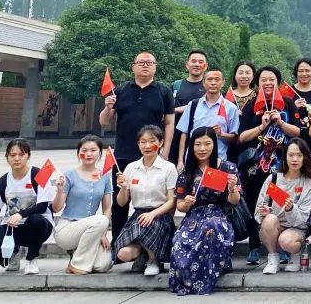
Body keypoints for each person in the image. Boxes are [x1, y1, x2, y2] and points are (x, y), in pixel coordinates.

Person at [99, 51, 174, 242]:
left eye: (149, 62)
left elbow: (169, 123)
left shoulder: (164, 91)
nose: (145, 65)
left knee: (155, 198)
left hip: (153, 155)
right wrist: (107, 107)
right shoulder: (121, 90)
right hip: (123, 154)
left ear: (155, 67)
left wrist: (165, 151)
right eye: (141, 62)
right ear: (133, 66)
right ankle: (118, 241)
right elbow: (104, 122)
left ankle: (155, 240)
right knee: (121, 201)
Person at [238, 66, 303, 265]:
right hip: (256, 166)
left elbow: (298, 132)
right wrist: (262, 126)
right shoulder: (251, 105)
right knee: (254, 203)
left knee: (279, 202)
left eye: (271, 79)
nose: (267, 83)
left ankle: (280, 247)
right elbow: (242, 137)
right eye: (263, 80)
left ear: (278, 82)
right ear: (258, 83)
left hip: (281, 165)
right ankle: (254, 247)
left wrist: (280, 123)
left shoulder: (288, 103)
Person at [169, 127, 241, 296]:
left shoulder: (226, 167)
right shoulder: (187, 173)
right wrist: (187, 203)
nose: (202, 149)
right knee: (179, 241)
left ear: (214, 145)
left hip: (219, 214)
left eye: (207, 144)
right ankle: (186, 279)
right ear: (191, 146)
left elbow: (235, 201)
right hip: (194, 216)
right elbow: (180, 205)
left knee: (211, 227)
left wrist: (232, 188)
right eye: (198, 144)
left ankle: (205, 279)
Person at [0, 138, 55, 274]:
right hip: (12, 227)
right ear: (7, 157)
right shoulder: (2, 181)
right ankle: (13, 253)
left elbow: (43, 206)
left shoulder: (41, 174)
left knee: (37, 219)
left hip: (38, 226)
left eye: (21, 154)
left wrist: (21, 214)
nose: (17, 158)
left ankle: (32, 258)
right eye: (12, 155)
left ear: (28, 156)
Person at [114, 124, 177, 276]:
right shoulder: (131, 168)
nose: (147, 146)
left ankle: (153, 260)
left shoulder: (168, 168)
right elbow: (121, 202)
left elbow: (172, 201)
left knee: (146, 223)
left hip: (160, 216)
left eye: (152, 141)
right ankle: (143, 254)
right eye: (143, 142)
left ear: (161, 143)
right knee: (123, 254)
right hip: (138, 216)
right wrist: (123, 188)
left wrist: (152, 214)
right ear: (138, 144)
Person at [253, 137, 311, 275]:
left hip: (296, 229)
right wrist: (264, 212)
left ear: (305, 158)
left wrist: (291, 209)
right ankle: (273, 258)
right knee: (270, 219)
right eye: (291, 155)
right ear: (285, 157)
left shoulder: (309, 184)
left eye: (299, 155)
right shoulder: (273, 179)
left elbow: (303, 220)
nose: (295, 159)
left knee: (286, 241)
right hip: (273, 228)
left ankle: (295, 255)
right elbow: (258, 211)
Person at [51, 135, 114, 274]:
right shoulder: (69, 176)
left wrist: (102, 233)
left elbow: (107, 208)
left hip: (92, 228)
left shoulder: (104, 177)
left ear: (100, 153)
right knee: (101, 220)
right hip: (67, 228)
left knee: (103, 265)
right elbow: (56, 208)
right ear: (78, 153)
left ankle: (75, 258)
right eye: (84, 150)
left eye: (93, 150)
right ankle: (77, 265)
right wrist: (60, 191)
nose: (88, 154)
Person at [176, 68, 240, 168]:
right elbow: (184, 133)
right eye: (209, 79)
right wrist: (180, 160)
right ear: (203, 82)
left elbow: (235, 138)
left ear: (223, 82)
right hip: (192, 160)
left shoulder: (231, 108)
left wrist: (222, 134)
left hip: (218, 161)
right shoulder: (193, 105)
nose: (213, 83)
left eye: (217, 79)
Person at [170, 50, 209, 163]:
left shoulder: (210, 88)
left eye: (200, 62)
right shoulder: (176, 85)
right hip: (175, 138)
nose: (197, 64)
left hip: (200, 140)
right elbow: (166, 111)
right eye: (193, 61)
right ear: (187, 64)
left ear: (206, 66)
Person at [287, 57, 311, 142]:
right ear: (296, 73)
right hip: (291, 139)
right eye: (301, 71)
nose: (304, 74)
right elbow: (282, 116)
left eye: (307, 71)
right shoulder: (288, 91)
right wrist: (293, 107)